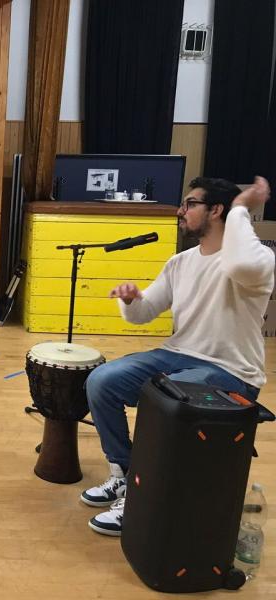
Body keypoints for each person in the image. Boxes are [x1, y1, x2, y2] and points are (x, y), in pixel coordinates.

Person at [81, 176, 274, 536]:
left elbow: (238, 266)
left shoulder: (257, 259)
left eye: (190, 204)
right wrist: (131, 300)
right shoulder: (180, 262)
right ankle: (124, 472)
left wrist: (240, 209)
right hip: (177, 355)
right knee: (102, 381)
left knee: (164, 400)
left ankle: (142, 497)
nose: (180, 211)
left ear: (216, 210)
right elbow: (144, 313)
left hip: (232, 372)